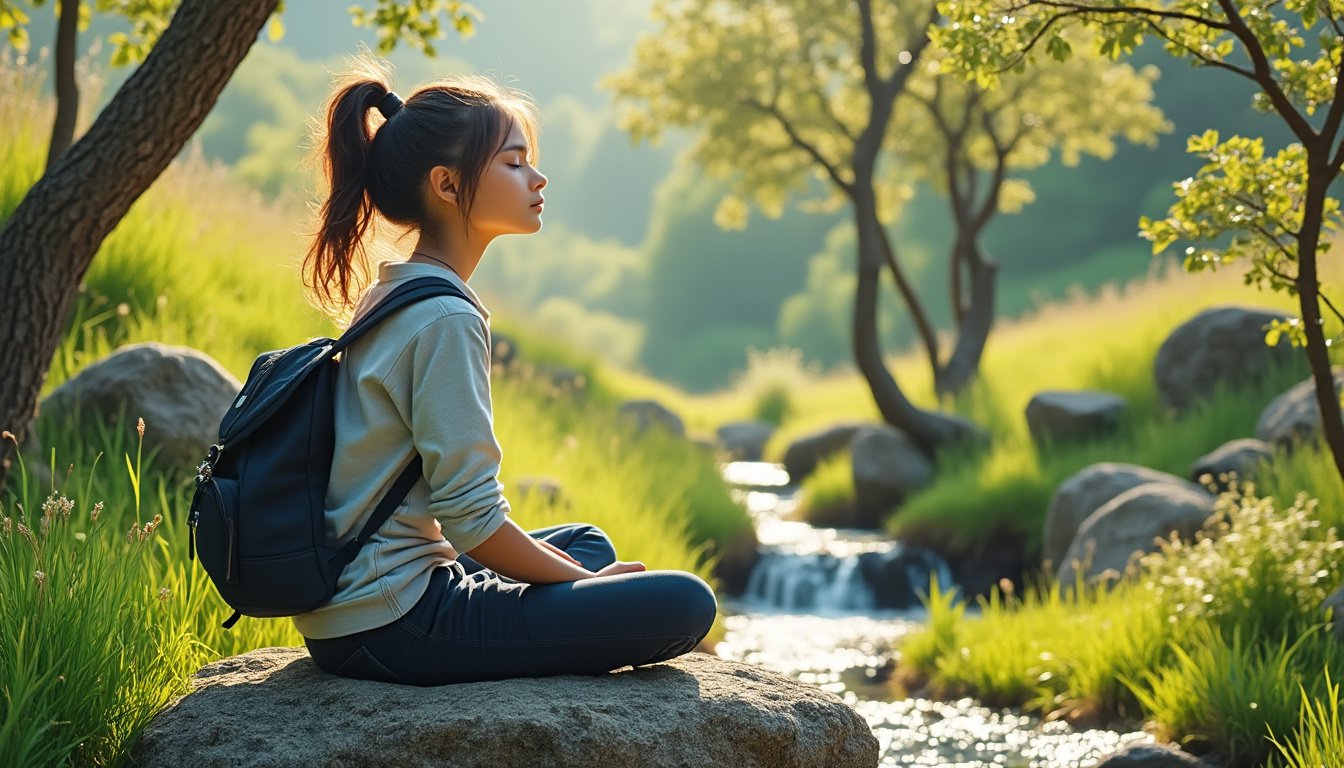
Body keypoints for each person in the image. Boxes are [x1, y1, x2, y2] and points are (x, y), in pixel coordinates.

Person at [293, 59, 717, 686]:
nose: (537, 178)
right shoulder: (444, 318)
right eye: (514, 163)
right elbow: (473, 521)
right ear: (446, 184)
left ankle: (574, 585)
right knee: (685, 603)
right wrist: (585, 587)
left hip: (353, 608)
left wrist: (581, 574)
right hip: (399, 622)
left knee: (587, 539)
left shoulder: (396, 292)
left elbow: (451, 516)